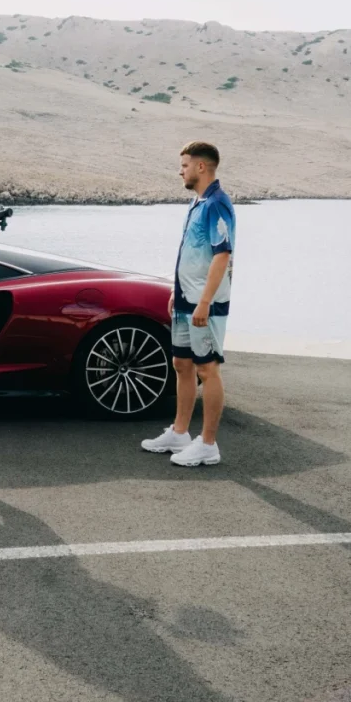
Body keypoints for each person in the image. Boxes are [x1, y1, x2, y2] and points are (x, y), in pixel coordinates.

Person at [142, 141, 235, 467]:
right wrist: (176, 289)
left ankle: (208, 445)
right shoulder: (197, 203)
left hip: (205, 303)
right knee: (181, 364)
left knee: (207, 369)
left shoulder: (217, 205)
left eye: (184, 165)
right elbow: (192, 253)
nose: (180, 171)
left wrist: (204, 301)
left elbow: (222, 256)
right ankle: (180, 433)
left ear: (201, 166)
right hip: (185, 299)